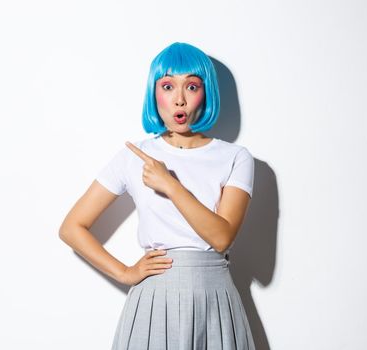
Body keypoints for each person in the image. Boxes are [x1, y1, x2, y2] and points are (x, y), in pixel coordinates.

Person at [59, 42, 256, 349]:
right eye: (167, 86)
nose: (179, 100)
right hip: (155, 296)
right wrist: (125, 273)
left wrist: (171, 185)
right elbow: (71, 227)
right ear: (154, 93)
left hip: (215, 294)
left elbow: (221, 237)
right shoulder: (135, 156)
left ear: (207, 93)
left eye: (192, 86)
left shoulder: (235, 157)